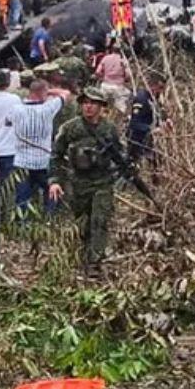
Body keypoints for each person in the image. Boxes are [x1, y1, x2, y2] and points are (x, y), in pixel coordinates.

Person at [50, 87, 124, 271]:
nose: (88, 107)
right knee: (82, 223)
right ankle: (82, 256)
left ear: (101, 106)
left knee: (99, 220)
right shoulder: (70, 128)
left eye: (93, 103)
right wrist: (55, 181)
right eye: (85, 103)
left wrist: (122, 173)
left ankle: (95, 262)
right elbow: (56, 155)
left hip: (102, 182)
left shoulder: (109, 128)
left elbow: (119, 154)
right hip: (78, 183)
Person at [11, 80, 65, 214]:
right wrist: (49, 91)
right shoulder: (48, 109)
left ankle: (22, 221)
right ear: (44, 92)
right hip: (43, 161)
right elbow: (65, 93)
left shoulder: (16, 109)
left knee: (22, 198)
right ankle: (50, 218)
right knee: (50, 191)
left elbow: (8, 122)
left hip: (21, 162)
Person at [127, 73, 167, 176]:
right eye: (160, 88)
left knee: (156, 167)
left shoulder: (154, 99)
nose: (161, 91)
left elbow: (158, 114)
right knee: (140, 171)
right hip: (139, 142)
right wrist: (151, 129)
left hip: (150, 142)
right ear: (152, 86)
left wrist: (165, 120)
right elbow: (134, 123)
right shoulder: (141, 99)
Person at [95, 41, 131, 114]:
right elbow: (128, 75)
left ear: (112, 49)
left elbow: (97, 72)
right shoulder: (123, 61)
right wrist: (125, 79)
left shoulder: (106, 58)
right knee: (121, 107)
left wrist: (102, 77)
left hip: (105, 85)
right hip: (118, 87)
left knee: (101, 106)